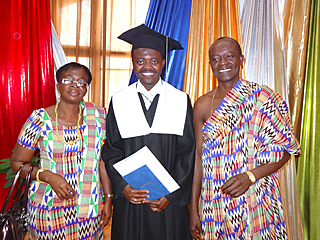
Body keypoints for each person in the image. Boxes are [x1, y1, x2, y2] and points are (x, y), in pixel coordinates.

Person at [189, 37, 301, 240]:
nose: (222, 63)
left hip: (255, 197)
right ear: (210, 64)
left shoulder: (263, 98)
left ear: (242, 59)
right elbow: (198, 159)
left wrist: (250, 177)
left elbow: (286, 150)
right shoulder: (202, 105)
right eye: (216, 59)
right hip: (215, 202)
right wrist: (193, 209)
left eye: (229, 56)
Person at [101, 24, 195, 240]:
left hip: (168, 201)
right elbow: (112, 149)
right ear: (133, 63)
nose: (147, 67)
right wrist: (123, 186)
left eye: (154, 60)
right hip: (131, 199)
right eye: (140, 61)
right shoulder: (119, 100)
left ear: (163, 63)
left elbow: (188, 153)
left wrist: (171, 194)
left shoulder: (180, 100)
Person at [10, 62, 112, 239]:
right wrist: (49, 177)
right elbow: (17, 163)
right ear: (58, 85)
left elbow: (102, 162)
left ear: (86, 88)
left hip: (88, 207)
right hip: (47, 207)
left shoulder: (98, 117)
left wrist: (108, 199)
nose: (75, 85)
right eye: (68, 80)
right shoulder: (39, 120)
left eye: (82, 81)